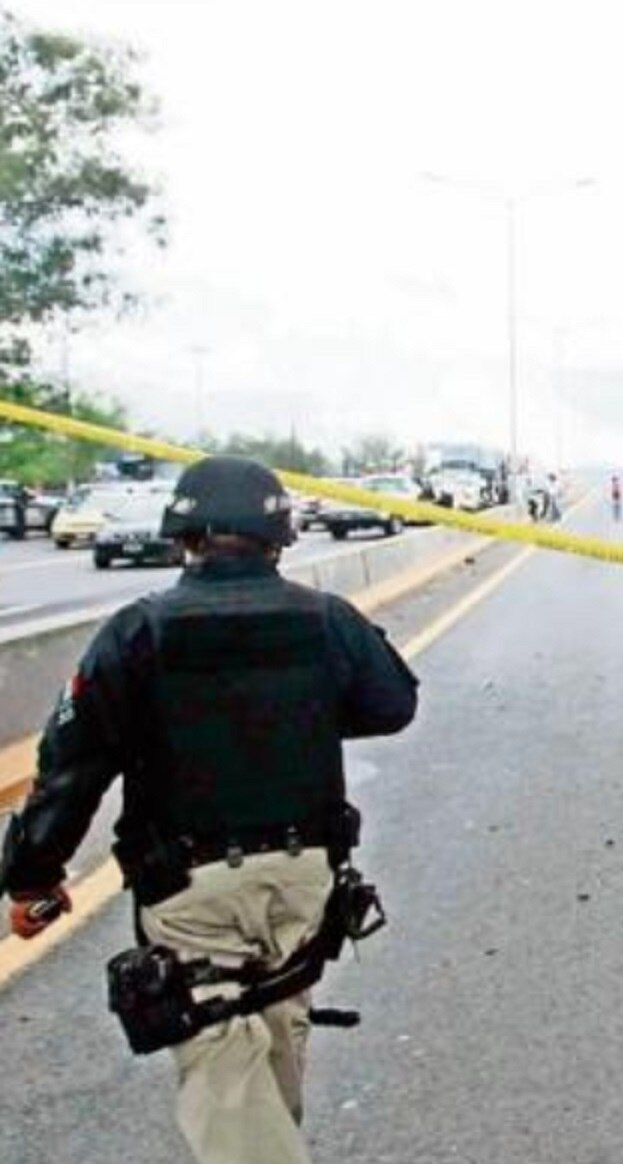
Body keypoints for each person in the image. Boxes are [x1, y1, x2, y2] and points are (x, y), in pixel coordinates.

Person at [0, 455, 419, 1164]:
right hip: (304, 886)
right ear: (279, 535)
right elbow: (391, 704)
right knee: (276, 1052)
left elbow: (70, 768)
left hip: (190, 890)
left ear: (181, 535)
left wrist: (33, 876)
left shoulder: (137, 632)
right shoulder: (325, 619)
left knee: (229, 1082)